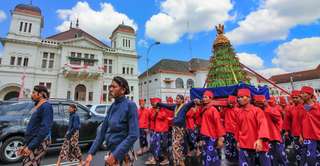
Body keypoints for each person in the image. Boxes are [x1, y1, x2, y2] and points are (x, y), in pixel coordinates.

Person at [85, 76, 139, 166]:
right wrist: (91, 153)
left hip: (123, 154)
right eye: (110, 86)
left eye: (114, 87)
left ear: (123, 90)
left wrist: (115, 155)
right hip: (112, 152)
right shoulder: (112, 107)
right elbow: (102, 132)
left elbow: (133, 135)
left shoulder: (130, 106)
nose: (110, 89)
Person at [17, 85, 53, 166]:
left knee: (29, 164)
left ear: (41, 94)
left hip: (41, 141)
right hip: (32, 140)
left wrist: (30, 146)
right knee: (29, 163)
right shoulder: (37, 105)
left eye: (34, 92)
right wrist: (25, 144)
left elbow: (44, 129)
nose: (31, 94)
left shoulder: (46, 106)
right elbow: (33, 127)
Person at [234, 89, 271, 166]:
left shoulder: (257, 111)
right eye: (238, 97)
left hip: (257, 145)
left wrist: (260, 140)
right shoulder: (239, 112)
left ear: (249, 98)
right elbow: (238, 128)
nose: (239, 99)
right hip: (244, 145)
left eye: (241, 97)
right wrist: (238, 141)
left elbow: (263, 125)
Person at [157, 94, 195, 166]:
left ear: (182, 100)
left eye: (178, 99)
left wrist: (194, 101)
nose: (176, 100)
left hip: (180, 129)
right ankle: (179, 161)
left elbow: (190, 103)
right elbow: (166, 106)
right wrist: (159, 103)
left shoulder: (184, 106)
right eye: (176, 99)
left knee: (178, 145)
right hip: (174, 129)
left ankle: (180, 161)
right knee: (175, 145)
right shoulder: (174, 106)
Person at [253, 95, 288, 166]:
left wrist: (267, 107)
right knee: (267, 159)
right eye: (258, 103)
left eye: (261, 103)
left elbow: (278, 117)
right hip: (262, 139)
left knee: (279, 156)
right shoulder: (254, 111)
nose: (260, 105)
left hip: (274, 137)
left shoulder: (270, 109)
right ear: (255, 103)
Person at [199, 90, 225, 166]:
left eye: (206, 97)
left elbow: (218, 123)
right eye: (203, 97)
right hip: (204, 135)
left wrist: (220, 137)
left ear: (211, 98)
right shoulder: (204, 108)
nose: (203, 99)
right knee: (205, 154)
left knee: (210, 155)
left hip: (212, 136)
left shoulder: (213, 109)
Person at [299, 86, 320, 165]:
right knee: (308, 159)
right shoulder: (301, 108)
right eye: (301, 93)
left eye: (303, 93)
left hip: (318, 136)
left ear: (310, 95)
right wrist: (301, 135)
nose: (301, 95)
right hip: (307, 138)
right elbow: (300, 123)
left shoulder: (318, 107)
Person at [145, 97, 170, 165]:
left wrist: (158, 111)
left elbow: (163, 116)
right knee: (154, 144)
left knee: (164, 145)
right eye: (153, 103)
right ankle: (154, 158)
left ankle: (166, 159)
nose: (153, 104)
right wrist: (156, 112)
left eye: (155, 103)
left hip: (163, 130)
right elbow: (152, 118)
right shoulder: (153, 110)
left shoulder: (164, 109)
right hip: (157, 130)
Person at [283, 90, 304, 165]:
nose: (295, 99)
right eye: (293, 98)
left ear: (300, 97)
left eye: (296, 97)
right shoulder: (290, 108)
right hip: (295, 133)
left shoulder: (304, 107)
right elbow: (287, 121)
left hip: (306, 133)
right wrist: (286, 131)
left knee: (307, 153)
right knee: (297, 152)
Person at [220, 95, 238, 163]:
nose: (230, 103)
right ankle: (229, 158)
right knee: (228, 145)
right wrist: (222, 108)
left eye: (231, 102)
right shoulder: (226, 109)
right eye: (229, 102)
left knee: (234, 145)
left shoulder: (237, 110)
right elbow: (221, 115)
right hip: (228, 131)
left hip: (235, 131)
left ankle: (234, 158)